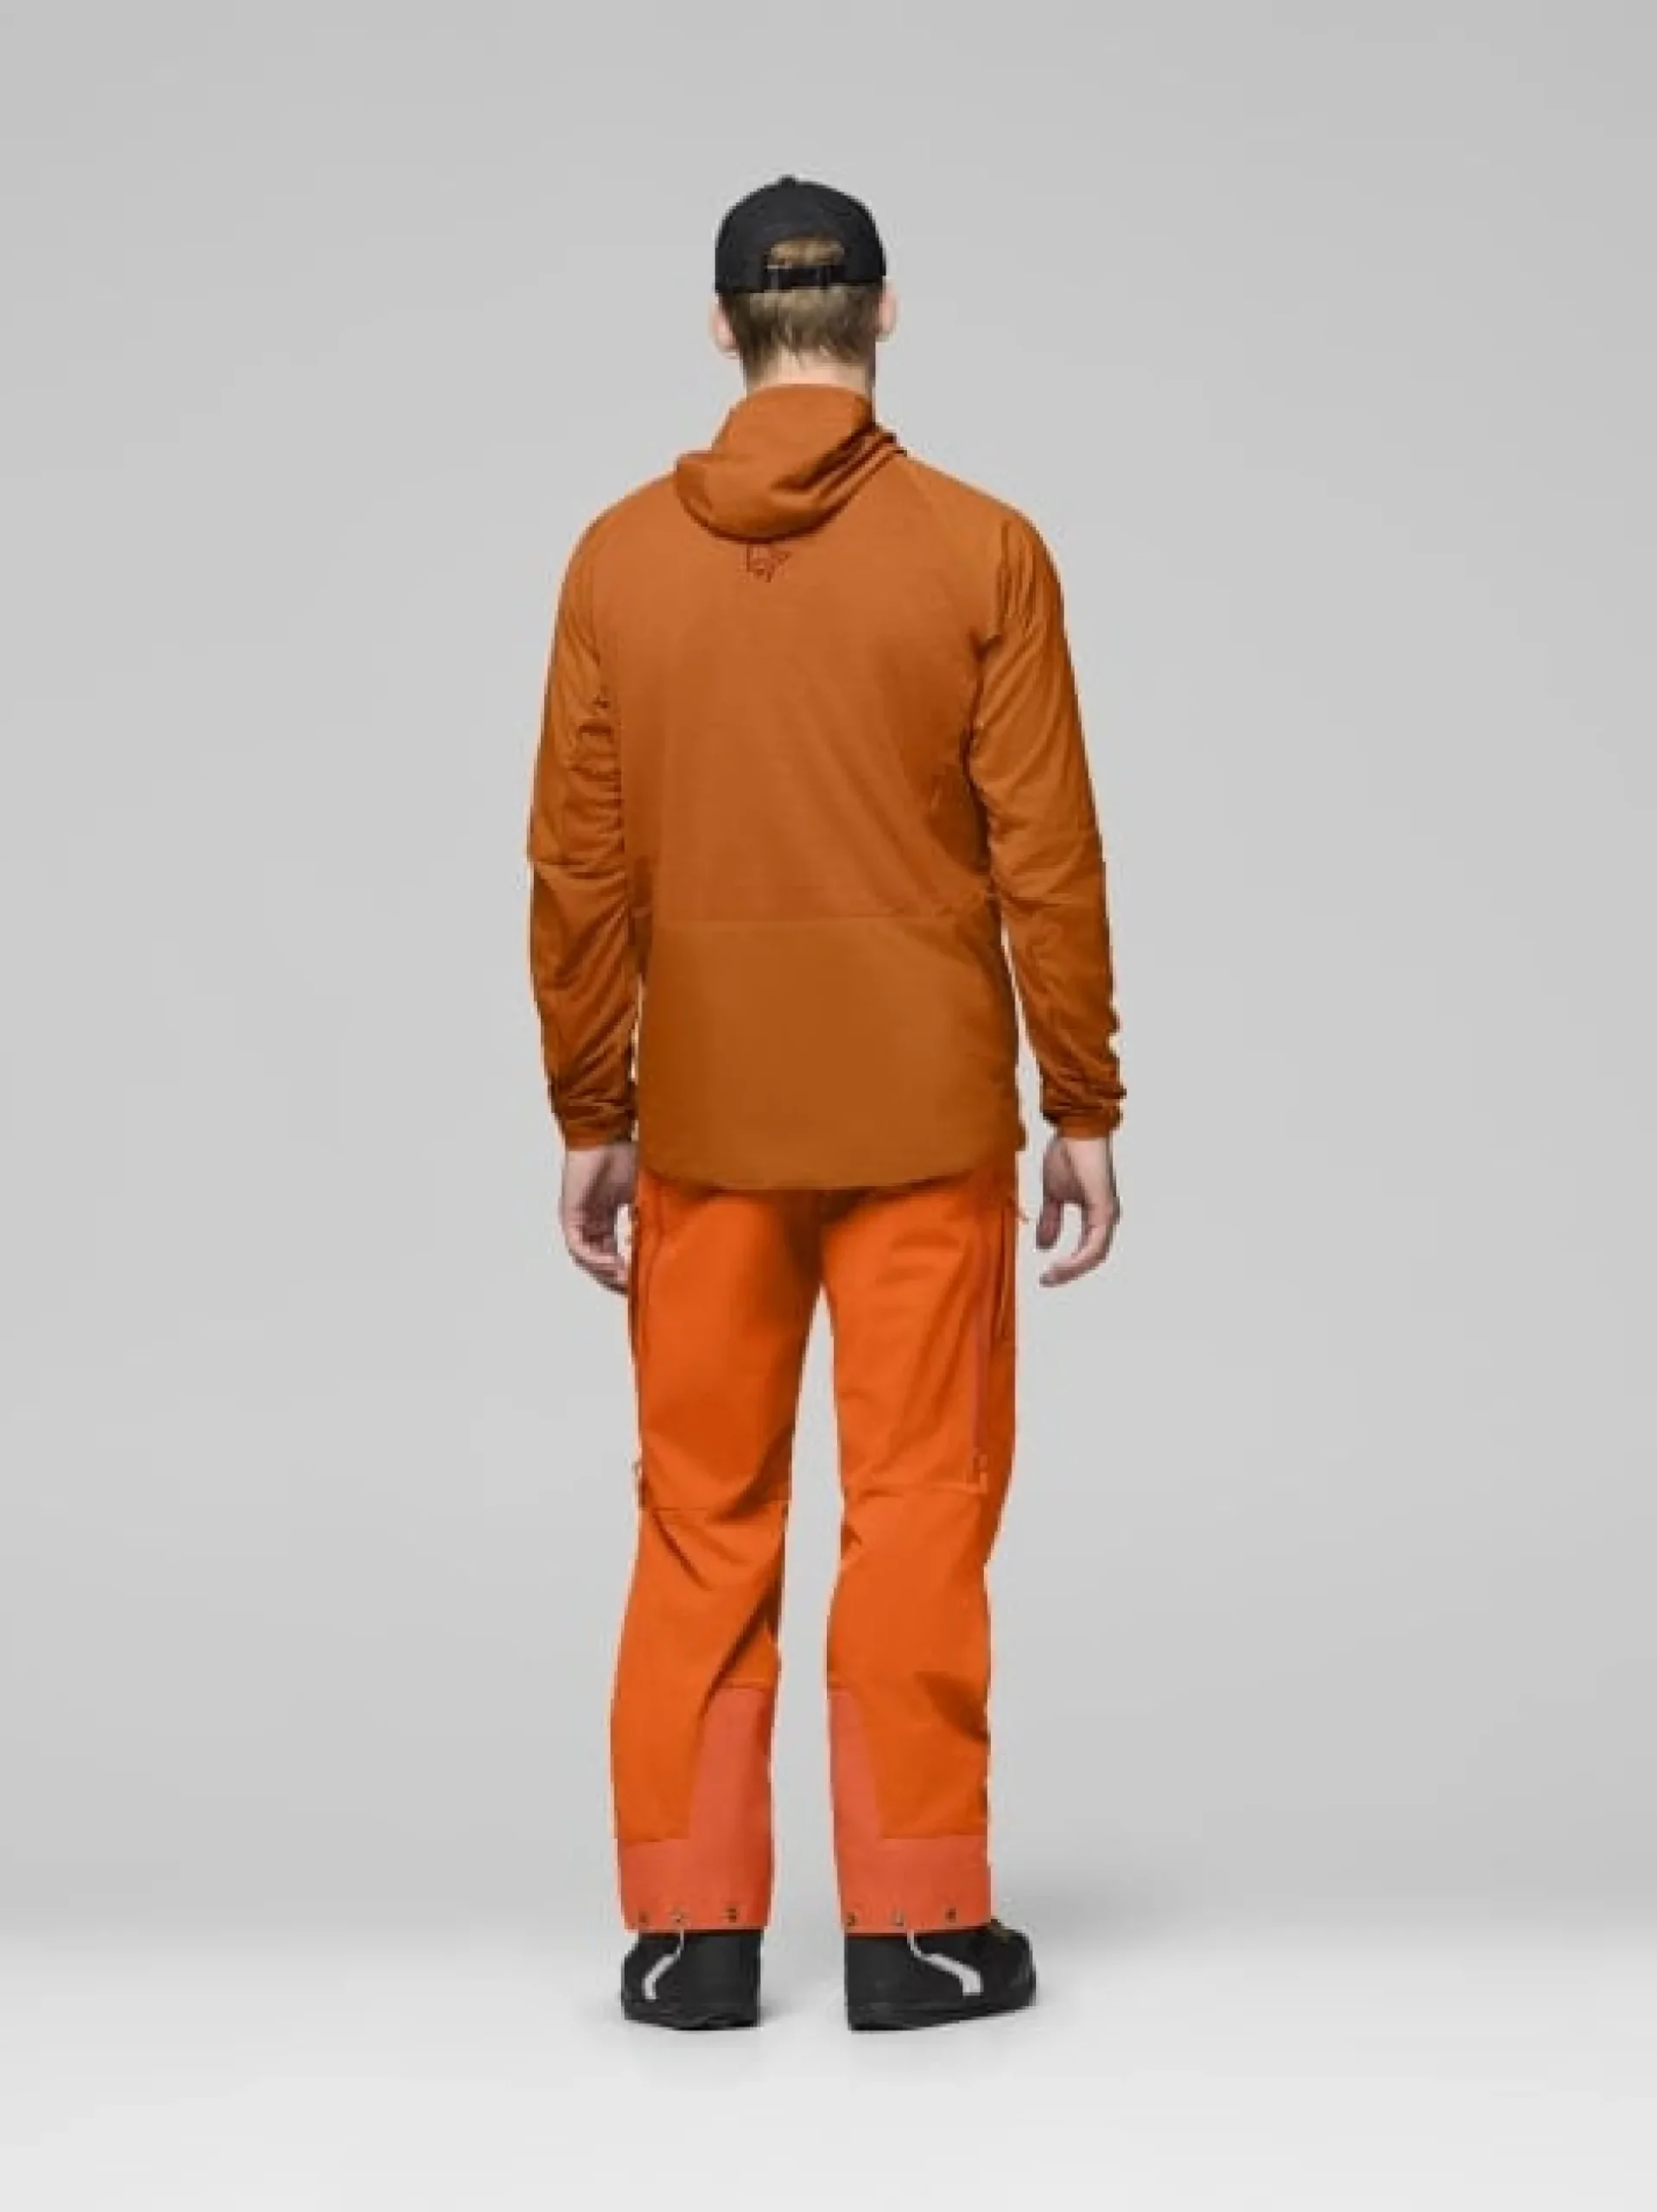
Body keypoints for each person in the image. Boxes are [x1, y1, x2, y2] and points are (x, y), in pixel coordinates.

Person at [526, 175, 1124, 2031]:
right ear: (884, 313)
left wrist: (590, 1108)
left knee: (700, 1516)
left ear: (722, 327)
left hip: (706, 1120)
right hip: (924, 1123)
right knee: (918, 1506)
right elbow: (1046, 853)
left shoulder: (616, 560)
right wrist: (1082, 1095)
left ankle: (689, 1938)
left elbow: (575, 868)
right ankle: (915, 1926)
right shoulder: (983, 550)